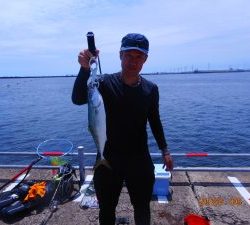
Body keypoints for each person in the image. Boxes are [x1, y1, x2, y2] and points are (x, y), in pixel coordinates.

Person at [72, 33, 173, 225]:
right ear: (120, 55)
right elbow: (77, 99)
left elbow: (155, 120)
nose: (133, 61)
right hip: (108, 158)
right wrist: (84, 69)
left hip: (139, 159)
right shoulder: (103, 83)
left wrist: (165, 150)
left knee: (142, 207)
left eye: (138, 57)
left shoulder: (151, 89)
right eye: (129, 55)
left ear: (145, 59)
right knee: (107, 208)